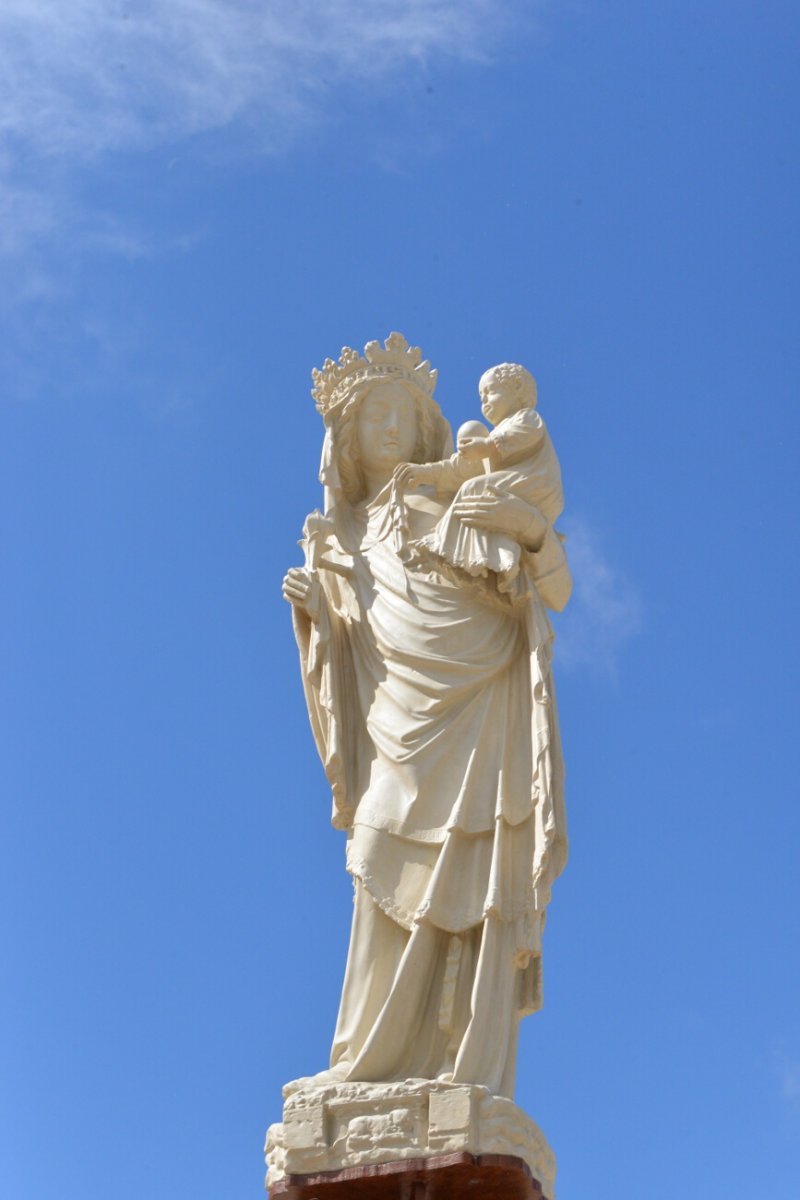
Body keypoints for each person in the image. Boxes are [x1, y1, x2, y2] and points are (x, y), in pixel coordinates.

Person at [282, 334, 568, 1100]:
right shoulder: (338, 538)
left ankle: (461, 1074)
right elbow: (346, 653)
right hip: (394, 724)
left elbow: (550, 586)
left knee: (477, 877)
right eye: (373, 412)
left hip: (479, 693)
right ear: (344, 437)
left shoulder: (447, 493)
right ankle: (366, 1064)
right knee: (377, 856)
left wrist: (530, 531)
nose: (388, 427)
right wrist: (320, 618)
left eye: (403, 413)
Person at [395, 362, 570, 611]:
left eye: (491, 393)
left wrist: (487, 446)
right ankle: (480, 556)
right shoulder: (491, 440)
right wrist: (426, 473)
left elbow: (521, 436)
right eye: (481, 397)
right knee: (474, 486)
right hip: (511, 483)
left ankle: (452, 549)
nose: (485, 402)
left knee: (473, 489)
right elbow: (460, 468)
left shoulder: (525, 418)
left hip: (532, 483)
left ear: (518, 389)